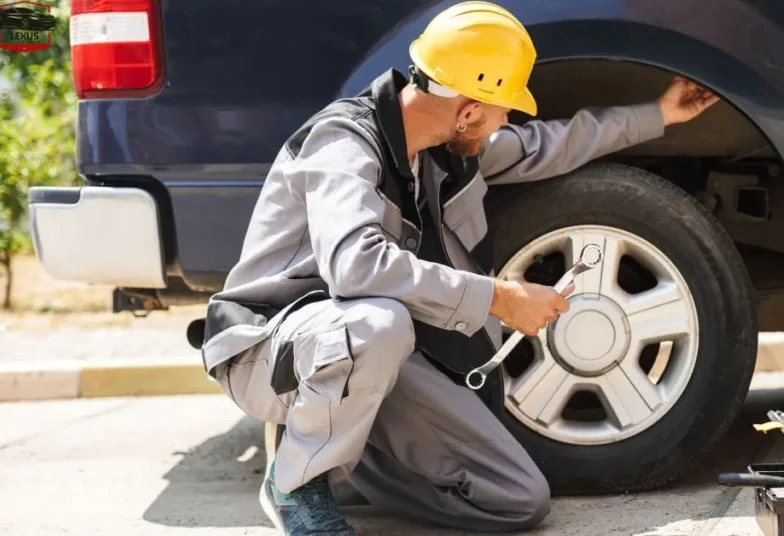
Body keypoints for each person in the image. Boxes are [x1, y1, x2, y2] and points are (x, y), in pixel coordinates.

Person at [198, 2, 719, 535]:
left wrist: (660, 113)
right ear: (468, 110)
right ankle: (295, 486)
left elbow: (548, 145)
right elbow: (355, 267)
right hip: (275, 348)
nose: (508, 121)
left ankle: (338, 450)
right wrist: (499, 298)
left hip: (370, 353)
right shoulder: (343, 144)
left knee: (517, 500)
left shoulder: (444, 149)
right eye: (503, 110)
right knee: (379, 322)